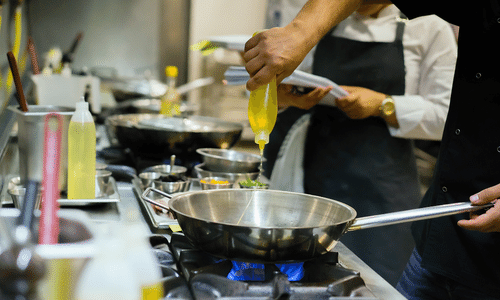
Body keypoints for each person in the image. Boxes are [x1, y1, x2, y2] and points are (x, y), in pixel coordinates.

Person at [243, 0, 500, 298]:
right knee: (305, 280)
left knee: (376, 287)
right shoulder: (325, 19)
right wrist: (291, 97)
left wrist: (382, 105)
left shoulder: (429, 27)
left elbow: (444, 115)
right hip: (319, 174)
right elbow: (297, 81)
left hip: (383, 187)